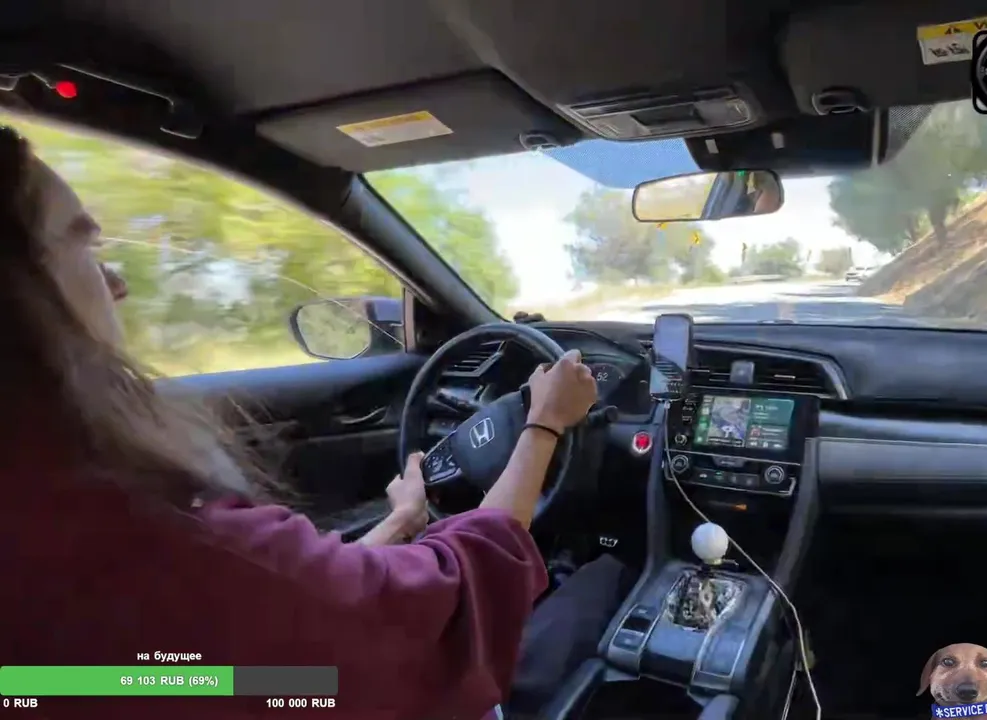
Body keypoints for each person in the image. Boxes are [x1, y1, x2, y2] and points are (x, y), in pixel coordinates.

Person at [0, 124, 629, 718]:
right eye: (83, 242)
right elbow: (446, 610)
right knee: (604, 583)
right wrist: (544, 423)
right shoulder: (150, 536)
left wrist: (402, 523)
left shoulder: (55, 526)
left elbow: (270, 654)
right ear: (21, 295)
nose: (116, 282)